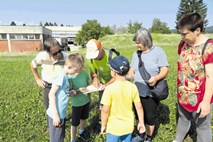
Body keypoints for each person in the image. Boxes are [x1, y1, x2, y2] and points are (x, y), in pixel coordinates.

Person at [173, 12, 213, 142]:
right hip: (183, 95)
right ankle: (177, 140)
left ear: (197, 30)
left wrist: (206, 101)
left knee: (202, 127)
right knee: (183, 119)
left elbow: (210, 76)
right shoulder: (182, 44)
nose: (181, 36)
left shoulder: (209, 47)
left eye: (185, 34)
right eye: (181, 33)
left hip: (200, 99)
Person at [129, 28, 169, 142]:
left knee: (149, 116)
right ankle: (140, 135)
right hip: (136, 90)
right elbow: (132, 71)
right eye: (135, 42)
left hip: (151, 90)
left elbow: (165, 70)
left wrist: (156, 78)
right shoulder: (136, 54)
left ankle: (148, 137)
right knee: (137, 114)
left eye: (138, 43)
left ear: (146, 41)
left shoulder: (158, 52)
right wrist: (125, 77)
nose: (136, 45)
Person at [100, 55, 146, 142]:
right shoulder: (133, 87)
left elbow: (105, 110)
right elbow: (139, 107)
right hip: (128, 126)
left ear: (113, 72)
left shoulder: (109, 89)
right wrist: (141, 122)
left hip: (113, 127)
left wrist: (103, 125)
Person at [31, 37, 68, 128]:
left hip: (60, 87)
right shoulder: (42, 56)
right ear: (47, 52)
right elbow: (33, 65)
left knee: (60, 107)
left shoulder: (65, 56)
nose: (58, 54)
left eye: (59, 51)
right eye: (55, 53)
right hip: (48, 86)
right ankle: (51, 127)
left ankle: (60, 123)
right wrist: (37, 79)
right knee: (49, 108)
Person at [46, 53, 84, 142]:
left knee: (60, 137)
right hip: (55, 115)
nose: (76, 73)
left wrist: (70, 93)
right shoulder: (61, 76)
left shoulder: (65, 76)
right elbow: (51, 94)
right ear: (70, 67)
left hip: (60, 114)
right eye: (76, 70)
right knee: (57, 139)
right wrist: (56, 115)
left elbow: (62, 92)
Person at [86, 39, 115, 122]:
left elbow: (118, 77)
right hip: (102, 83)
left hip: (115, 82)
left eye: (96, 55)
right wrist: (95, 78)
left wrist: (106, 85)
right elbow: (93, 71)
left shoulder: (112, 56)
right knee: (102, 102)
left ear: (101, 48)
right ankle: (101, 121)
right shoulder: (91, 59)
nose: (95, 58)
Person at [68, 54, 90, 142]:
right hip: (76, 104)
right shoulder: (70, 77)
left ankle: (81, 131)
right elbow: (69, 93)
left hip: (86, 101)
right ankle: (73, 138)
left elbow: (87, 85)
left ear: (82, 66)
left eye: (79, 68)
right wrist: (78, 90)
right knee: (74, 122)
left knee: (83, 118)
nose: (77, 70)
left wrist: (89, 96)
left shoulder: (85, 74)